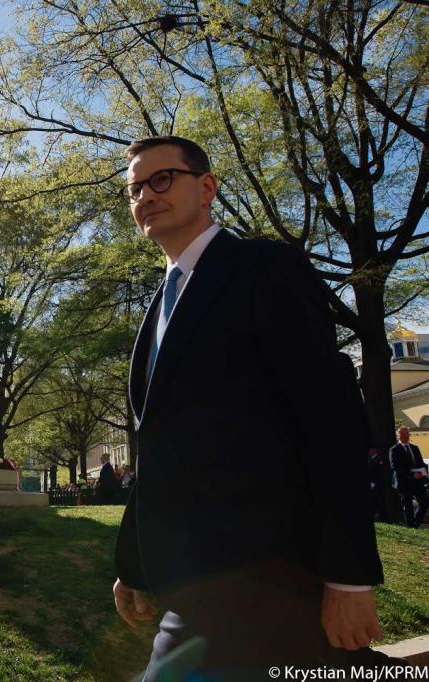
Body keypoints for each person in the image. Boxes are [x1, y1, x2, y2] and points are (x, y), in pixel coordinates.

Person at [112, 136, 385, 680]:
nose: (146, 195)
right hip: (197, 582)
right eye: (135, 188)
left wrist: (349, 577)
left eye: (162, 179)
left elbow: (330, 420)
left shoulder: (265, 268)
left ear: (207, 188)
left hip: (271, 575)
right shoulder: (160, 305)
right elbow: (163, 446)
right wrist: (135, 563)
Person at [389, 427, 427, 528]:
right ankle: (411, 526)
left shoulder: (415, 448)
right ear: (398, 436)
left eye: (407, 434)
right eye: (403, 434)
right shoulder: (394, 450)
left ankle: (415, 523)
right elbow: (395, 467)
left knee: (424, 503)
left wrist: (423, 471)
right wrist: (411, 474)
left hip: (417, 481)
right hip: (404, 482)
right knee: (408, 506)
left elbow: (420, 462)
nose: (406, 436)